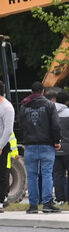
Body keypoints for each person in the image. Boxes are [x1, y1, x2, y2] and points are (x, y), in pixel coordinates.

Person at [19, 82, 61, 214]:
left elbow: (21, 124)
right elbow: (55, 125)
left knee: (32, 176)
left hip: (30, 145)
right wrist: (56, 141)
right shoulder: (49, 105)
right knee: (47, 174)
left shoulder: (24, 105)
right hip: (46, 145)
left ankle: (33, 205)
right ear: (43, 92)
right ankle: (47, 203)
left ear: (31, 92)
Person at [0, 81, 14, 211]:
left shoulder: (7, 108)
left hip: (2, 146)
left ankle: (1, 200)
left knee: (2, 173)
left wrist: (0, 146)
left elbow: (8, 130)